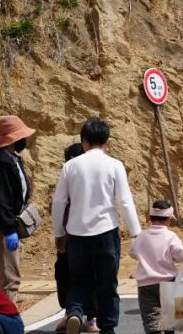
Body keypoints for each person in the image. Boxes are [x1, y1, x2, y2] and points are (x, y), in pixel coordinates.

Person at [52, 118, 141, 334]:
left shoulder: (70, 166)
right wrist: (136, 233)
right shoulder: (115, 165)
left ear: (83, 141)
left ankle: (74, 311)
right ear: (106, 142)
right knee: (107, 283)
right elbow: (125, 201)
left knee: (79, 280)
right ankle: (107, 327)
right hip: (106, 234)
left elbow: (59, 202)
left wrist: (59, 233)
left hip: (76, 234)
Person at [53, 143, 95, 334]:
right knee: (92, 276)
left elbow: (57, 206)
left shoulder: (67, 178)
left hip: (70, 239)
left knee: (67, 277)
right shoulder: (94, 179)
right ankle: (92, 319)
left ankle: (71, 314)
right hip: (94, 237)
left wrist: (58, 234)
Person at [129, 201, 183, 334]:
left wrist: (145, 256)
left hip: (145, 284)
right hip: (168, 282)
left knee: (151, 318)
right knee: (169, 318)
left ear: (150, 218)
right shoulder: (171, 236)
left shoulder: (142, 236)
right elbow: (179, 254)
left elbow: (133, 253)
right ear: (168, 220)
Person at [0, 116, 34, 304]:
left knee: (5, 278)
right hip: (3, 229)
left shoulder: (10, 159)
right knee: (10, 280)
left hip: (7, 226)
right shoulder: (1, 163)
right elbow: (1, 200)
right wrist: (10, 229)